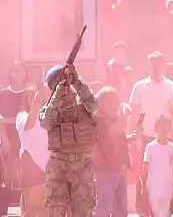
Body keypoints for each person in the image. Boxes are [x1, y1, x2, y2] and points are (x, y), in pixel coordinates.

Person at [39, 64, 99, 217]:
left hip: (83, 166)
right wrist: (58, 96)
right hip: (58, 166)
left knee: (83, 211)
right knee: (56, 210)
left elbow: (94, 106)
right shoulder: (49, 107)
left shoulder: (83, 102)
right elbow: (46, 123)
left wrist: (77, 82)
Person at [129, 51, 173, 215]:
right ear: (148, 65)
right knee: (144, 172)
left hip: (165, 137)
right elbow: (134, 113)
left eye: (158, 64)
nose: (155, 68)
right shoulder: (139, 86)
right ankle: (143, 210)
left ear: (164, 66)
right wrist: (134, 136)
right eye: (152, 65)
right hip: (145, 136)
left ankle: (166, 209)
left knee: (166, 173)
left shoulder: (171, 86)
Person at [93, 87, 136, 217]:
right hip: (107, 169)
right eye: (113, 101)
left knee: (121, 209)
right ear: (102, 102)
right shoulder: (97, 119)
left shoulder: (112, 118)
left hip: (119, 167)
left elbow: (116, 140)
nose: (116, 104)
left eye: (117, 101)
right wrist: (123, 113)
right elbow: (113, 132)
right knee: (104, 208)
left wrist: (131, 138)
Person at [0, 60, 33, 215]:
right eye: (15, 70)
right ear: (10, 73)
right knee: (7, 177)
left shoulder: (30, 92)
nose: (18, 74)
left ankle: (27, 210)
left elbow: (30, 117)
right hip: (8, 139)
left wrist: (9, 119)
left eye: (21, 70)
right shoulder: (3, 93)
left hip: (27, 139)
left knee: (27, 177)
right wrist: (5, 141)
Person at [16, 85, 50, 217]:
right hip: (31, 165)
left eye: (42, 96)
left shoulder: (49, 116)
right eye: (33, 96)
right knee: (32, 209)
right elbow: (28, 125)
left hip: (49, 166)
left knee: (46, 209)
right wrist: (36, 101)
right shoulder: (22, 116)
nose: (39, 99)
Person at [142, 116, 173, 217]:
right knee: (156, 213)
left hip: (167, 188)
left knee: (165, 213)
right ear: (156, 129)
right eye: (162, 127)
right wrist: (144, 186)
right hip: (153, 188)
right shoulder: (150, 147)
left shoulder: (172, 147)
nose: (164, 129)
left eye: (166, 127)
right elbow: (145, 166)